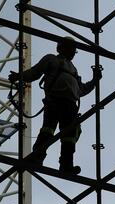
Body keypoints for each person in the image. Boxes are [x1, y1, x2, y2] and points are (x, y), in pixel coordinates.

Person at [8, 36, 100, 174]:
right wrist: (19, 76)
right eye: (71, 48)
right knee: (48, 130)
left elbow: (81, 90)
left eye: (73, 49)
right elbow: (35, 72)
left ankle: (66, 165)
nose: (73, 51)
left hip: (70, 105)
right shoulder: (52, 59)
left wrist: (94, 80)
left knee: (69, 136)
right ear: (61, 48)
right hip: (54, 101)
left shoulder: (73, 70)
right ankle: (37, 158)